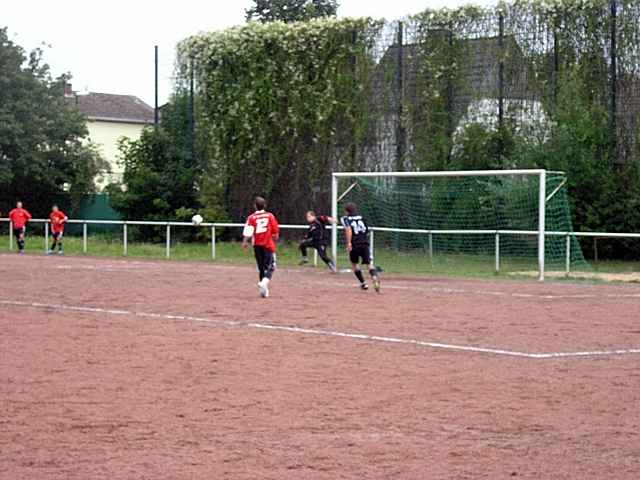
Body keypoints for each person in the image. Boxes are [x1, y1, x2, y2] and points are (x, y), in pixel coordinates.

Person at [242, 196, 280, 298]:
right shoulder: (270, 216)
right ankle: (264, 282)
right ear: (265, 205)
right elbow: (275, 233)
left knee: (261, 268)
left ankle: (263, 291)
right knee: (271, 266)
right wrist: (275, 238)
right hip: (267, 245)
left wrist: (245, 242)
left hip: (257, 245)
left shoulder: (251, 218)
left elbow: (248, 232)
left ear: (255, 206)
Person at [341, 202, 380, 292]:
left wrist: (349, 243)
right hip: (364, 242)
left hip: (355, 243)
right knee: (369, 264)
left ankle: (363, 283)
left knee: (354, 264)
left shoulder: (346, 219)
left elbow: (348, 230)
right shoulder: (362, 218)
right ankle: (374, 277)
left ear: (347, 211)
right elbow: (366, 230)